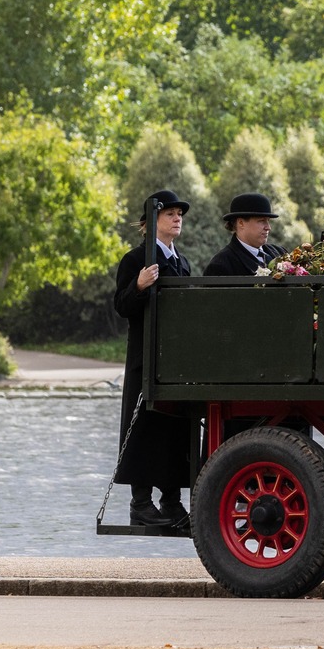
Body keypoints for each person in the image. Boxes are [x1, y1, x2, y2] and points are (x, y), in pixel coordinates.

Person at [111, 189, 196, 529]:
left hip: (175, 360)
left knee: (174, 430)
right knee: (143, 426)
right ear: (152, 221)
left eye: (180, 215)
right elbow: (121, 306)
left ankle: (172, 504)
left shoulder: (182, 262)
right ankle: (141, 503)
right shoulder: (134, 260)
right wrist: (140, 285)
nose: (177, 219)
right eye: (170, 214)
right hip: (145, 358)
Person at [203, 192, 286, 276]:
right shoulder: (221, 266)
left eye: (268, 221)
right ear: (241, 223)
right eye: (261, 221)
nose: (268, 227)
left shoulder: (280, 253)